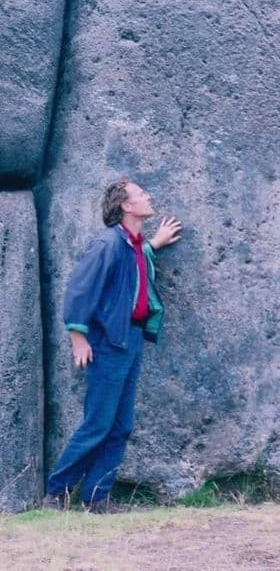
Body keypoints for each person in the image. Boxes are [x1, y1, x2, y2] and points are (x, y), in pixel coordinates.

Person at [42, 178, 182, 513]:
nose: (148, 195)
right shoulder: (107, 243)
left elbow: (130, 266)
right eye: (140, 194)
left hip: (130, 340)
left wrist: (153, 245)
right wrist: (78, 338)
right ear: (126, 206)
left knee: (120, 426)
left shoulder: (131, 245)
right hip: (108, 344)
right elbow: (79, 288)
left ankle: (97, 498)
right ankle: (56, 494)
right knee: (98, 424)